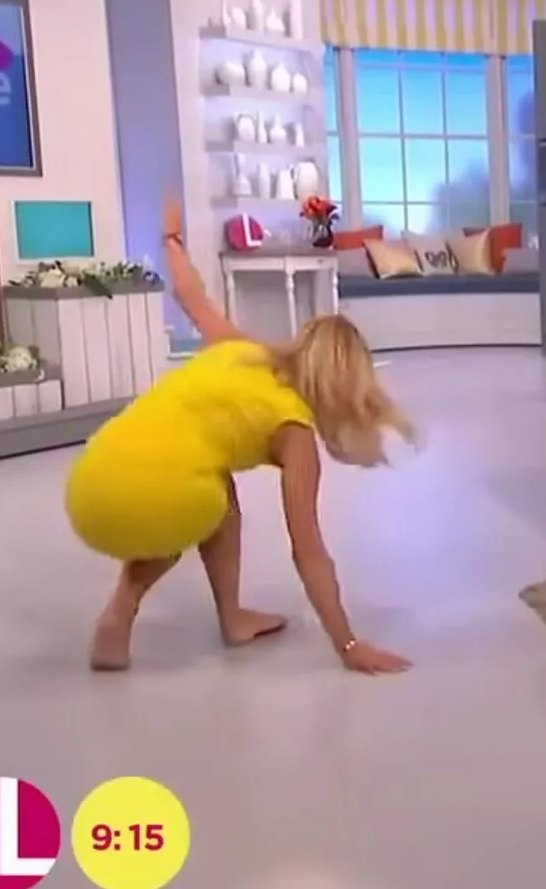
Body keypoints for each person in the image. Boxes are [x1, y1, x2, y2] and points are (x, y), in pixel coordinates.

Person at [65, 197, 413, 674]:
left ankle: (233, 618)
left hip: (89, 482)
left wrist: (171, 239)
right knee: (192, 499)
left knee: (217, 489)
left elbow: (190, 295)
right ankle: (121, 608)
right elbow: (308, 551)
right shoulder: (294, 431)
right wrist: (348, 645)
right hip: (144, 501)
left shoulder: (241, 350)